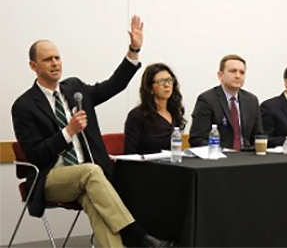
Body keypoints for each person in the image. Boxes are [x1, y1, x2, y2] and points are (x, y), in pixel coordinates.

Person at [11, 16, 177, 248]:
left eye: (57, 57)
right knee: (91, 172)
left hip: (89, 180)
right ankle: (139, 235)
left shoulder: (74, 88)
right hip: (51, 177)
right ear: (33, 66)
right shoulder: (24, 106)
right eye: (47, 59)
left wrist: (134, 49)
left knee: (96, 202)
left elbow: (113, 85)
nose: (55, 63)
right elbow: (36, 155)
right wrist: (68, 132)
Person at [189, 54, 264, 150]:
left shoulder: (251, 100)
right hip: (220, 158)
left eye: (242, 72)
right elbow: (197, 139)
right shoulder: (207, 99)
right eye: (233, 71)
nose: (238, 76)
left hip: (246, 156)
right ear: (220, 75)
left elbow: (259, 136)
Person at [124, 63, 186, 155]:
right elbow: (130, 154)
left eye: (169, 80)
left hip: (173, 166)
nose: (167, 85)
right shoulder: (137, 115)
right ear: (150, 88)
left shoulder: (175, 113)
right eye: (161, 81)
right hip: (146, 167)